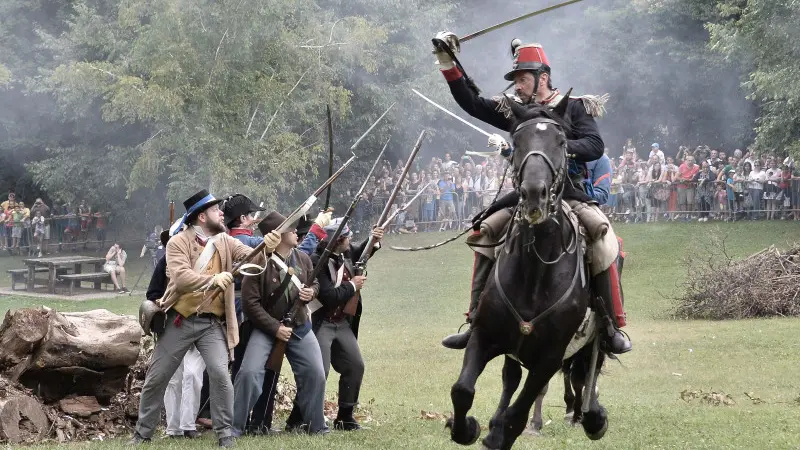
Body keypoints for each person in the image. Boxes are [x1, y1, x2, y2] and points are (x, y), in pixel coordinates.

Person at [432, 34, 631, 354]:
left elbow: (595, 146)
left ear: (543, 78)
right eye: (516, 80)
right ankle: (476, 321)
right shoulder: (516, 111)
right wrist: (447, 61)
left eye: (522, 79)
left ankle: (610, 325)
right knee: (484, 235)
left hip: (568, 194)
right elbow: (472, 103)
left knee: (604, 240)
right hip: (525, 197)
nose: (517, 86)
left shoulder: (576, 107)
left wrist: (559, 148)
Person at [130, 189, 280, 448]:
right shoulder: (178, 243)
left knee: (221, 375)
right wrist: (213, 279)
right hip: (181, 319)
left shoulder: (225, 241)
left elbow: (249, 256)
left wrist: (267, 247)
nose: (221, 213)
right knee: (157, 377)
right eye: (215, 210)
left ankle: (225, 435)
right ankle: (142, 433)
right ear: (201, 217)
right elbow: (182, 278)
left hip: (212, 324)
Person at [232, 211, 328, 436]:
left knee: (316, 373)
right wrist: (275, 328)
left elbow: (314, 282)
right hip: (267, 329)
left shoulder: (302, 258)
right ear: (277, 235)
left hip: (300, 326)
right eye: (291, 229)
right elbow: (250, 304)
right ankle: (234, 428)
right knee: (248, 373)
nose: (296, 231)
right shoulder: (259, 263)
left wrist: (310, 292)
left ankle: (316, 426)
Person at [294, 217, 384, 430]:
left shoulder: (344, 252)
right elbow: (328, 296)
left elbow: (361, 252)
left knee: (355, 366)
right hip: (322, 321)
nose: (350, 240)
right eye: (347, 237)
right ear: (338, 240)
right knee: (318, 372)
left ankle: (345, 417)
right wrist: (353, 285)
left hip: (342, 322)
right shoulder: (317, 261)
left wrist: (374, 239)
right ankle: (299, 418)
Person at [146, 227, 205, 439]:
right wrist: (165, 304)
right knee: (173, 379)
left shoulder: (204, 260)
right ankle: (174, 428)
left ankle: (189, 425)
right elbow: (152, 293)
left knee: (193, 375)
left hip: (200, 324)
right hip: (174, 326)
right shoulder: (164, 263)